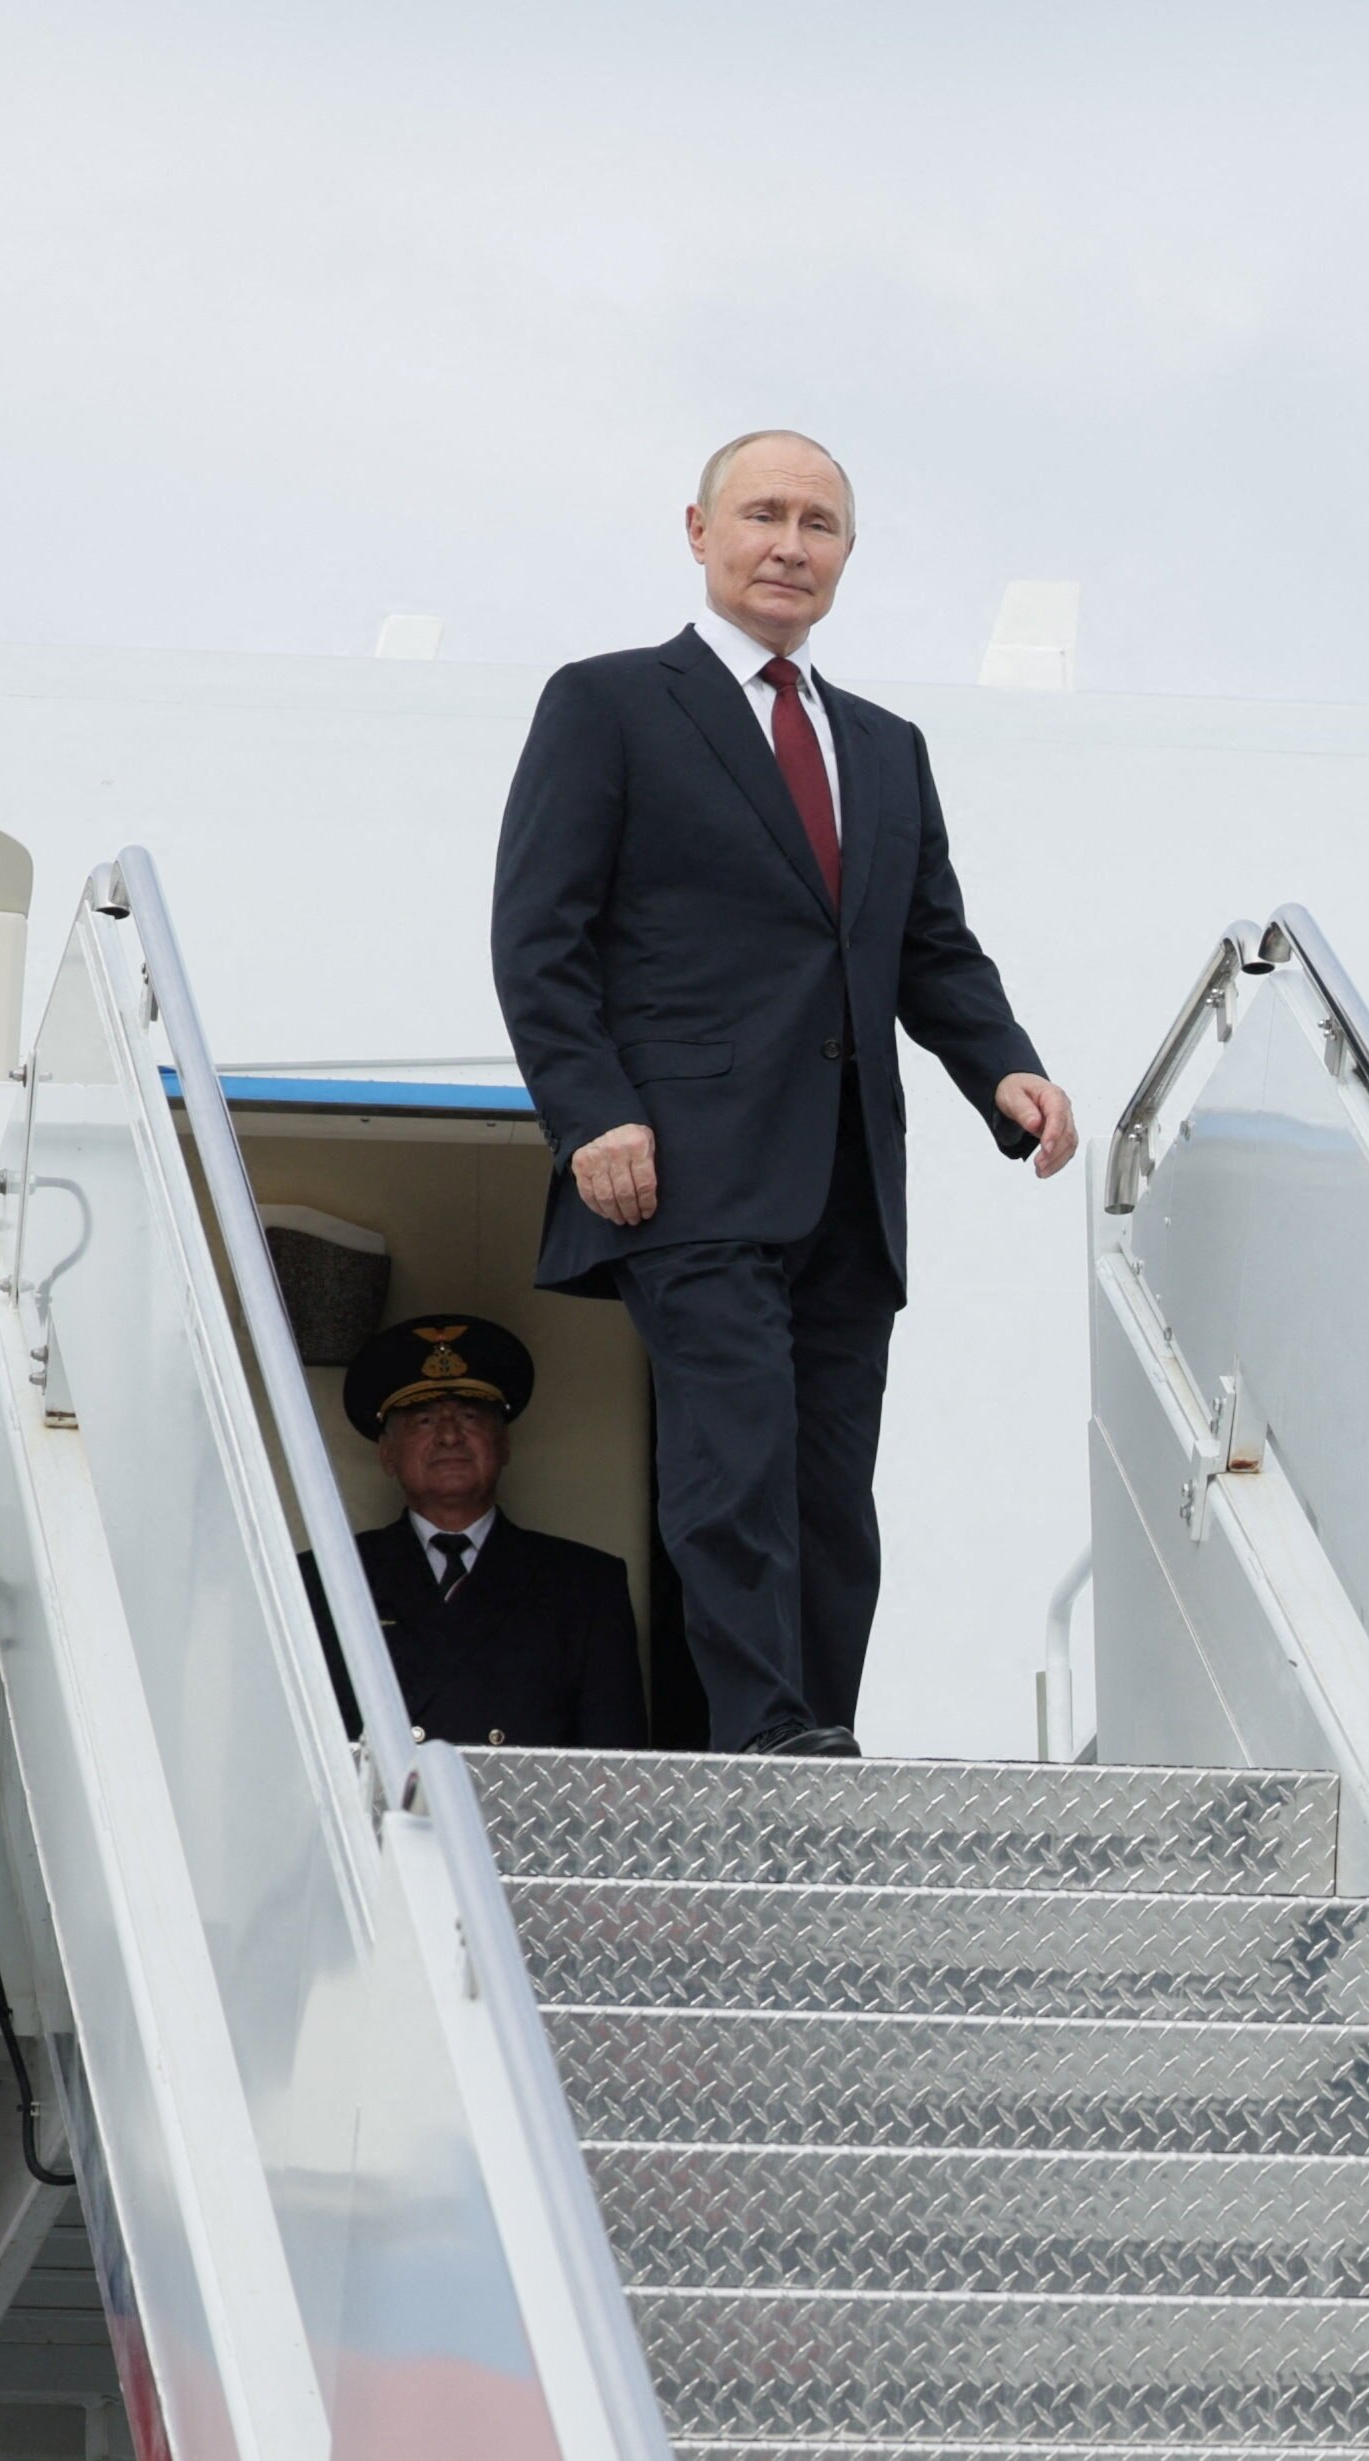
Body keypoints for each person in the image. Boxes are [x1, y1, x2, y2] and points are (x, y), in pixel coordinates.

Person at [490, 430, 1076, 1757]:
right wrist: (592, 1113)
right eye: (762, 515)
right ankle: (760, 1733)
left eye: (818, 524)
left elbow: (930, 947)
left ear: (846, 557)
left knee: (827, 1492)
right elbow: (540, 935)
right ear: (697, 533)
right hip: (687, 1169)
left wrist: (1006, 1069)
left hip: (849, 1181)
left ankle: (819, 1732)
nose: (789, 544)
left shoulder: (885, 747)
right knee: (734, 1462)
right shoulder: (608, 705)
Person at [303, 1315, 647, 1749]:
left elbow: (613, 1770)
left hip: (529, 1816)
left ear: (504, 1445)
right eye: (423, 1421)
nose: (449, 1436)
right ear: (388, 1455)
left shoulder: (586, 1584)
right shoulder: (324, 1579)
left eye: (469, 1416)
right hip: (380, 1815)